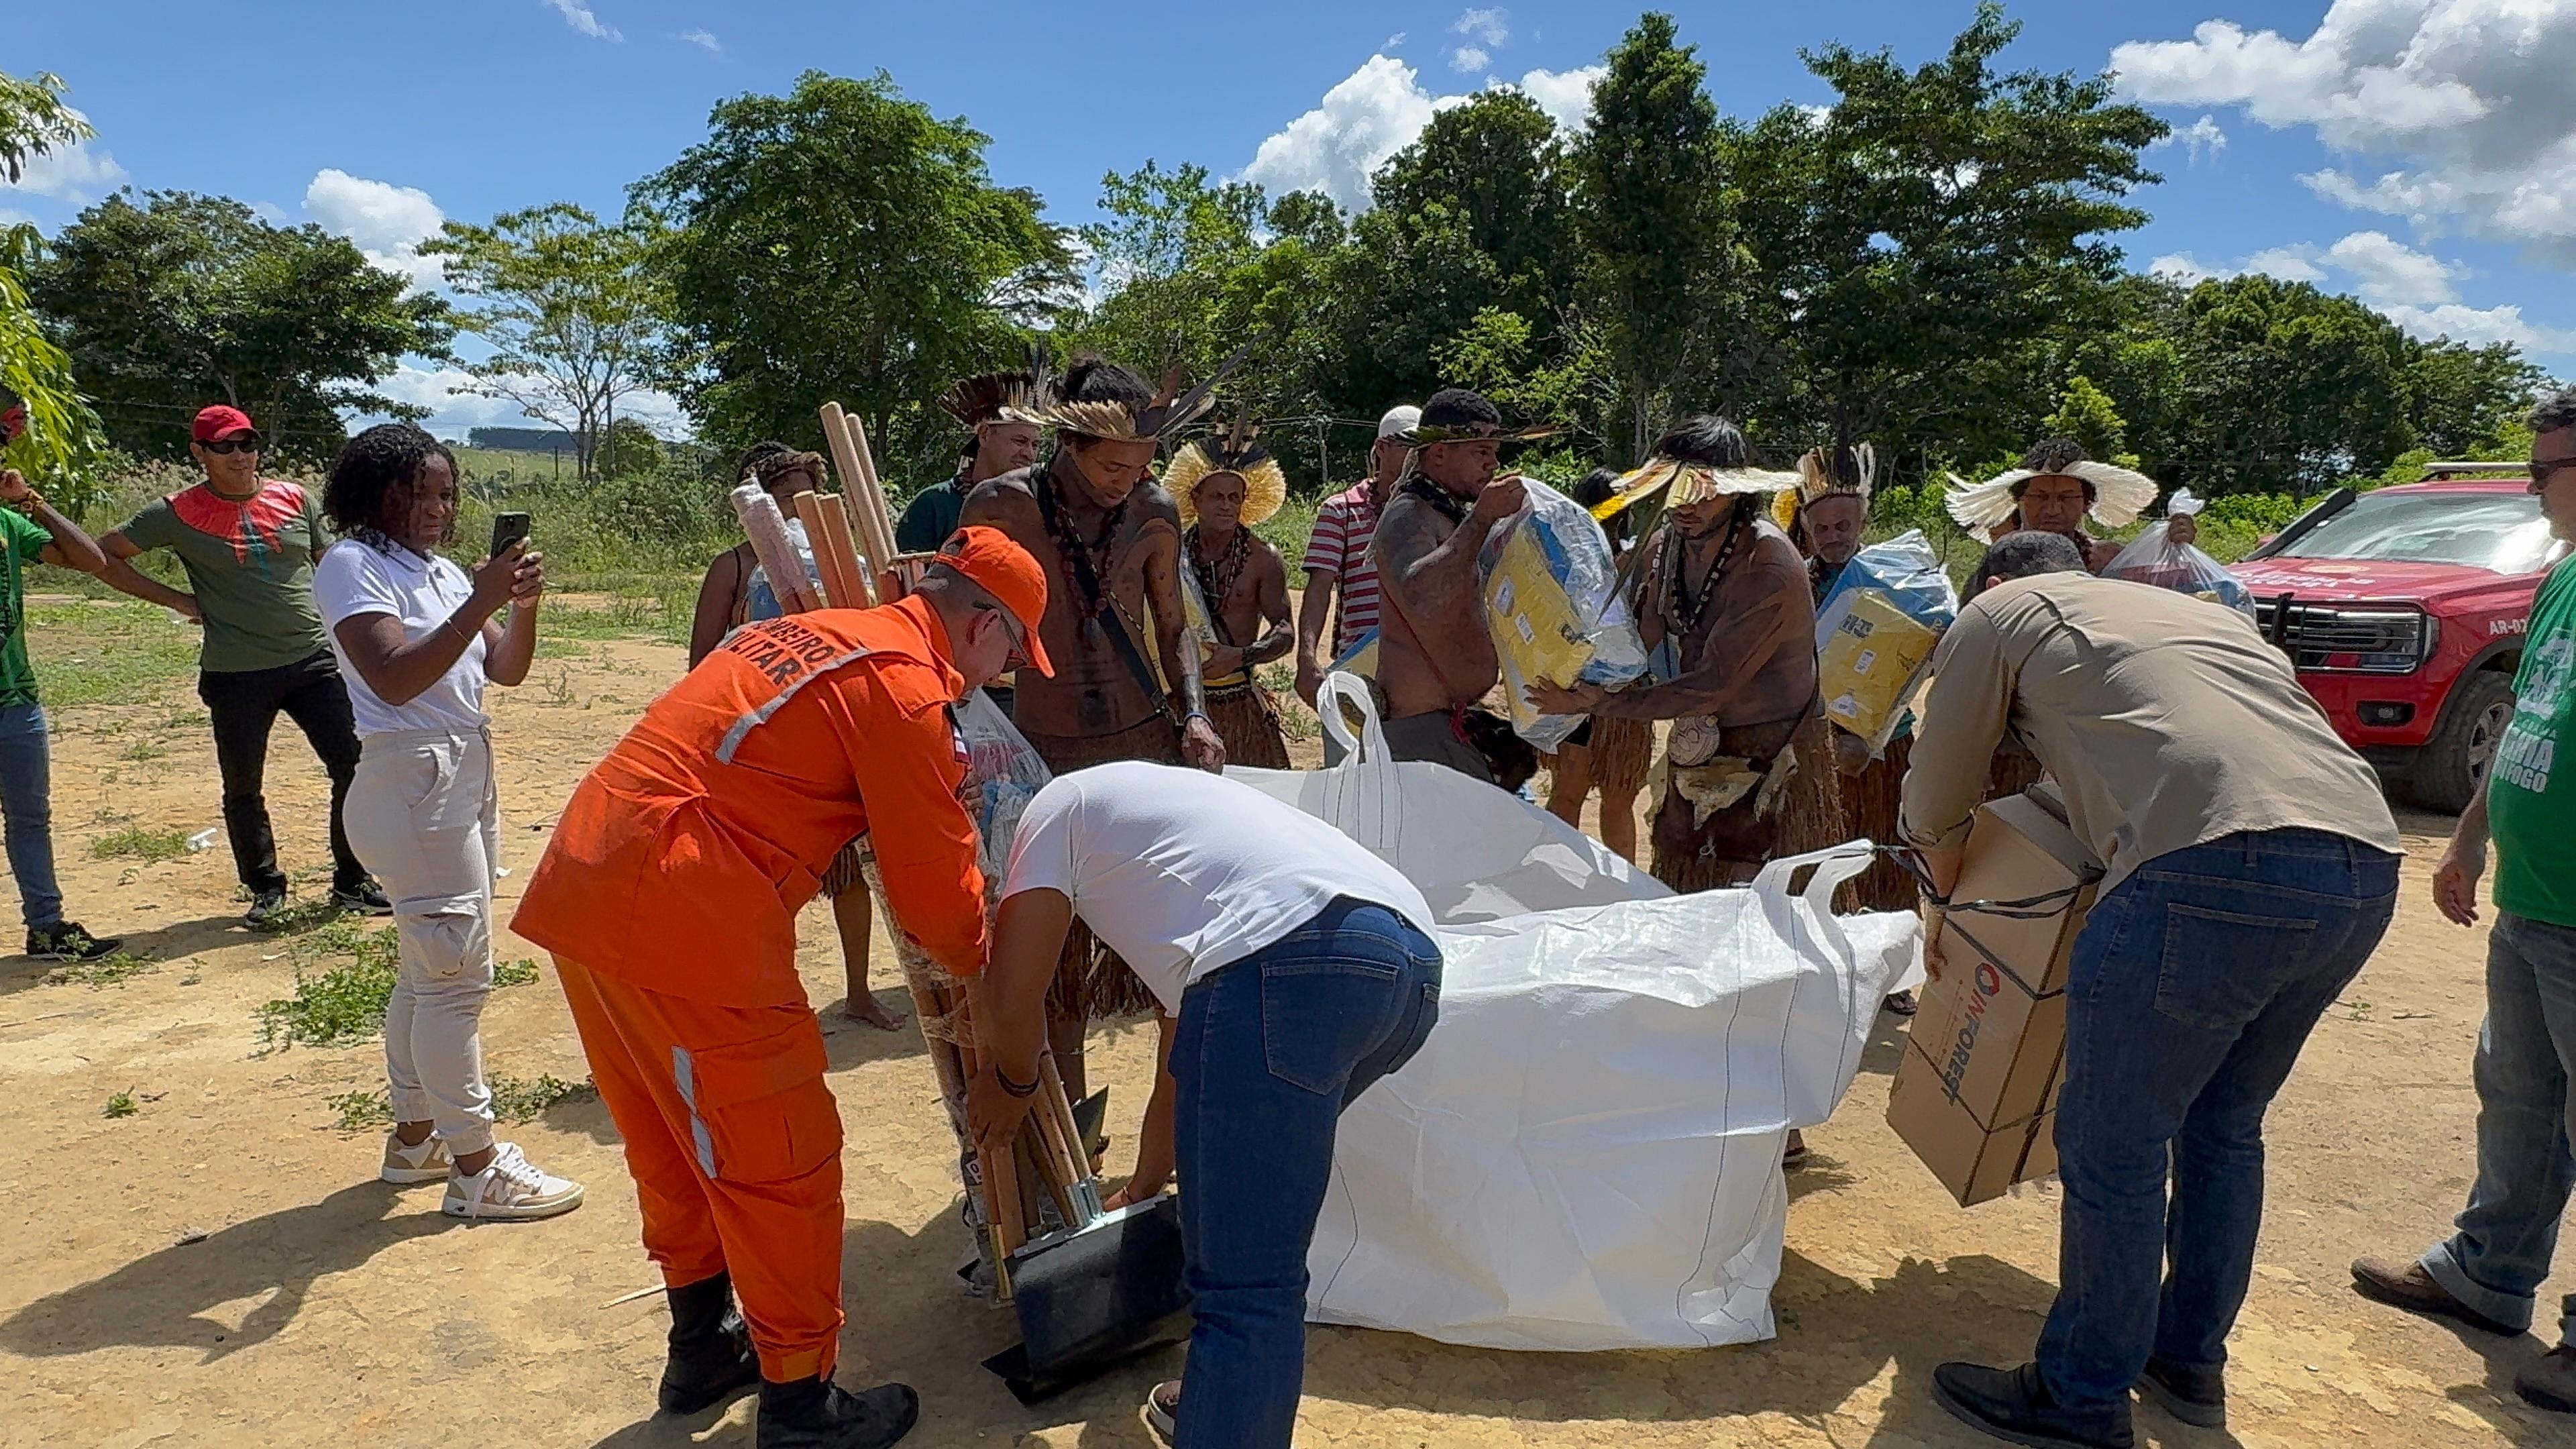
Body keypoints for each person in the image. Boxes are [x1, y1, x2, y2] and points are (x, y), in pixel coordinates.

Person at [511, 527, 1052, 1449]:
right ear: (982, 621)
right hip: (685, 910)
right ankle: (802, 1406)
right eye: (1011, 653)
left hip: (594, 874)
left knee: (676, 1143)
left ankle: (700, 1352)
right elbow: (935, 894)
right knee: (781, 1160)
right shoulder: (904, 684)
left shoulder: (834, 632)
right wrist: (999, 963)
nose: (1003, 675)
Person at [1904, 531, 2403, 1448]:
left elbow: (1937, 794)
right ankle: (2188, 1360)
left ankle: (2082, 1394)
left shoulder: (1999, 613)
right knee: (2224, 1126)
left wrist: (1945, 907)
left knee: (2115, 1146)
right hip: (2363, 867)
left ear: (1994, 583)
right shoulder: (2190, 614)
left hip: (2208, 868)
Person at [967, 761, 1442, 1449]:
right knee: (1241, 1215)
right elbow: (1184, 1069)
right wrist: (1150, 1183)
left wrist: (1009, 1084)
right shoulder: (1170, 843)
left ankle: (1231, 1406)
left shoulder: (1050, 810)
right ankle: (1221, 1399)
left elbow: (1015, 995)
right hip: (1405, 967)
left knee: (1248, 1287)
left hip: (1289, 961)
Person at [2349, 387, 2576, 1416]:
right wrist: (2470, 841)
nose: (2533, 487)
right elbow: (2528, 716)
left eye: (2547, 469)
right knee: (2519, 1097)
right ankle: (2487, 1274)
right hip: (2538, 896)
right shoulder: (2564, 579)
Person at [311, 423, 582, 1221]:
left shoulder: (430, 572)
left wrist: (520, 606)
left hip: (457, 775)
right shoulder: (351, 564)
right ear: (374, 493)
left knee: (426, 975)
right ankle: (476, 1167)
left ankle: (417, 1138)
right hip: (412, 779)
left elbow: (507, 669)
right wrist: (481, 599)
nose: (435, 509)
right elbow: (393, 677)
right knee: (458, 982)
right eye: (416, 494)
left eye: (446, 494)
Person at [961, 356, 1226, 1099]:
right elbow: (961, 621)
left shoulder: (1154, 513)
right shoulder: (1002, 507)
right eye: (1113, 465)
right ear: (1068, 444)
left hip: (1143, 743)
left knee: (1172, 952)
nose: (1128, 480)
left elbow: (1174, 627)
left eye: (1142, 466)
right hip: (1043, 753)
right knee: (1053, 962)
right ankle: (1071, 1134)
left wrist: (1197, 715)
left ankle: (1170, 1138)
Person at [94, 405, 388, 926]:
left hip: (313, 658)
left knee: (354, 766)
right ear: (199, 453)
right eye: (224, 446)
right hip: (236, 672)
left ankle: (352, 880)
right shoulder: (174, 512)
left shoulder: (297, 498)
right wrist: (174, 598)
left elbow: (333, 565)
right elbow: (102, 555)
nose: (239, 455)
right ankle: (266, 888)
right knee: (244, 786)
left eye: (247, 443)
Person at [1532, 417, 1838, 894]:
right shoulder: (1664, 546)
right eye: (1677, 489)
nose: (1687, 504)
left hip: (1776, 753)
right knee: (1685, 890)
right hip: (1698, 744)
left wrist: (1599, 703)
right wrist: (1565, 667)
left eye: (1702, 491)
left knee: (1762, 910)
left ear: (1737, 492)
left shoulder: (1768, 564)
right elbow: (1637, 639)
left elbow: (1711, 685)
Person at [688, 443, 902, 1032]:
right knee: (765, 882)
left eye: (807, 501)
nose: (796, 516)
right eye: (784, 502)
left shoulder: (837, 565)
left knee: (850, 874)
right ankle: (763, 999)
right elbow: (702, 664)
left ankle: (858, 990)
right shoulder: (733, 568)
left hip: (833, 738)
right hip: (764, 743)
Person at [1776, 444, 1919, 959]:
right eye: (1823, 529)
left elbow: (1918, 656)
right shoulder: (1792, 581)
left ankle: (1891, 961)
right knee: (1820, 847)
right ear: (1808, 532)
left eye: (1844, 526)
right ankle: (1825, 955)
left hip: (1887, 742)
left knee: (1887, 849)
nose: (1835, 537)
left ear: (1863, 523)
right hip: (1815, 740)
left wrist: (1874, 739)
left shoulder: (1899, 581)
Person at [1371, 387, 1552, 788]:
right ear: (1438, 455)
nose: (1493, 464)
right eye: (1481, 452)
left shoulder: (1445, 514)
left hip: (1447, 724)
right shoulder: (1408, 514)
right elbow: (1419, 594)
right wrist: (1482, 519)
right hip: (1418, 731)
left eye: (1494, 452)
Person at [0, 457, 120, 962]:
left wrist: (31, 501)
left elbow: (91, 561)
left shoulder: (8, 523)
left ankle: (47, 928)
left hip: (14, 699)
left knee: (31, 818)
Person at [1167, 420, 1293, 769]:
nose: (1226, 506)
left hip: (1239, 697)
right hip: (1183, 701)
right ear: (1195, 499)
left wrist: (1241, 656)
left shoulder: (1262, 558)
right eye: (1217, 496)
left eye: (1234, 498)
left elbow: (1285, 631)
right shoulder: (1172, 555)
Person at [1541, 467, 1649, 864]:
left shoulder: (1633, 557)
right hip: (1587, 689)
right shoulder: (1576, 558)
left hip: (1606, 692)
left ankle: (1571, 879)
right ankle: (1574, 880)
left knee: (1590, 793)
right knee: (1597, 795)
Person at [1295, 403, 1416, 711]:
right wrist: (1307, 659)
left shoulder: (1435, 512)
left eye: (1424, 448)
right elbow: (1319, 589)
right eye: (1408, 447)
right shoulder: (1342, 511)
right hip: (1361, 665)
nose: (1417, 458)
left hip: (1423, 669)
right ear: (1382, 448)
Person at [1941, 439, 2160, 573]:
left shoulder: (2108, 558)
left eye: (2066, 498)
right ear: (2020, 501)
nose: (2053, 510)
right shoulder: (2001, 560)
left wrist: (2176, 547)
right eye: (2040, 497)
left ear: (2086, 503)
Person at [896, 368, 1050, 553]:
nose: (1030, 454)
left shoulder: (1041, 515)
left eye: (1036, 445)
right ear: (984, 435)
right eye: (1020, 441)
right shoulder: (934, 506)